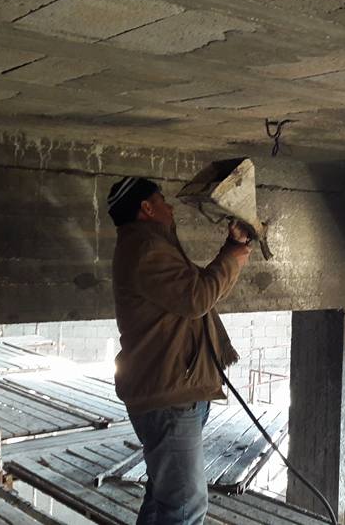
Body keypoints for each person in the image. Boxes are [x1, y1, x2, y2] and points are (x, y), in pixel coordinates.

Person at [107, 176, 252, 524]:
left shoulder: (152, 246)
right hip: (170, 395)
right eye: (162, 200)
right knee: (186, 507)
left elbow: (197, 289)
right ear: (146, 208)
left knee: (164, 499)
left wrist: (230, 250)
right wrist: (231, 256)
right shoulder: (146, 248)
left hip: (173, 390)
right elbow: (197, 298)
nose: (169, 207)